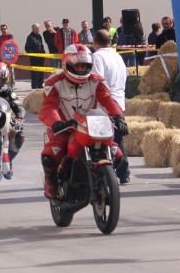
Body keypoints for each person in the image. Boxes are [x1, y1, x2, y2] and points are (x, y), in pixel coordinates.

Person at [37, 44, 127, 199]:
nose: (81, 69)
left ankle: (101, 178)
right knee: (52, 153)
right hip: (64, 126)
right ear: (67, 64)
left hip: (90, 124)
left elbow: (107, 100)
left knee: (117, 154)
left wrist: (119, 117)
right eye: (77, 66)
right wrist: (56, 122)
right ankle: (52, 183)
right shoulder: (54, 82)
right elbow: (49, 106)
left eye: (85, 66)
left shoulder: (96, 80)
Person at [91, 30, 130, 183]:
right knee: (118, 139)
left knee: (103, 140)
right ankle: (123, 173)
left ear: (95, 41)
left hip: (105, 103)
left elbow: (97, 80)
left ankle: (104, 172)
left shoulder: (97, 57)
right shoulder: (117, 56)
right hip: (119, 100)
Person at [24, 23, 48, 89]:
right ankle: (35, 87)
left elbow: (41, 46)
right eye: (37, 29)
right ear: (33, 29)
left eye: (39, 28)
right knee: (35, 74)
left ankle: (40, 86)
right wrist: (34, 56)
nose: (38, 30)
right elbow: (27, 48)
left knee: (41, 73)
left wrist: (43, 53)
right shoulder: (30, 37)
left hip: (41, 59)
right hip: (35, 60)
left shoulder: (39, 36)